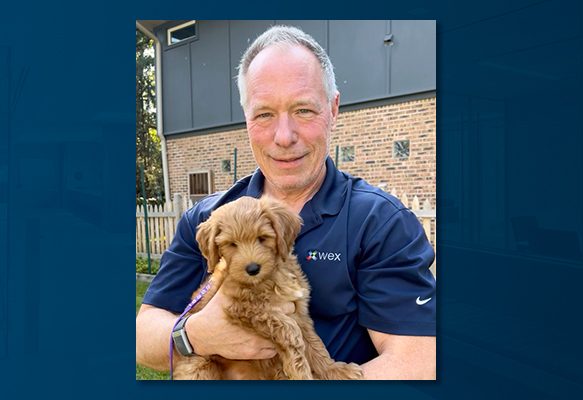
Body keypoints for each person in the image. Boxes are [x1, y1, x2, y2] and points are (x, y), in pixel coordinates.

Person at [136, 25, 436, 380]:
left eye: (304, 110)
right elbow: (143, 339)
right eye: (264, 114)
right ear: (246, 117)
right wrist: (194, 335)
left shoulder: (380, 221)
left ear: (333, 108)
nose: (284, 137)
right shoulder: (206, 218)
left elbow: (418, 359)